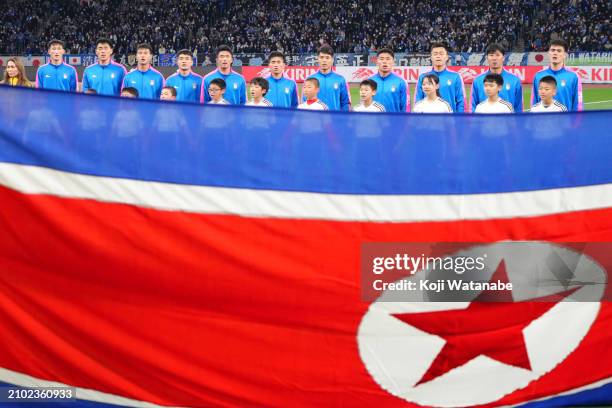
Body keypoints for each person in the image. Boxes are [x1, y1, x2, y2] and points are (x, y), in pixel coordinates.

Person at [531, 39, 582, 111]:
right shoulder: (538, 76)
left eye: (559, 51)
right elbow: (534, 102)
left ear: (565, 55)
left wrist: (575, 122)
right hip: (543, 121)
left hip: (566, 121)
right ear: (549, 53)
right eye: (552, 50)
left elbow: (578, 105)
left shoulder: (573, 76)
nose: (555, 53)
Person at [470, 43, 523, 112]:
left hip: (507, 121)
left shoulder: (515, 81)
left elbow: (518, 107)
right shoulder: (477, 81)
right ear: (487, 58)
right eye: (491, 55)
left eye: (498, 55)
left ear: (503, 58)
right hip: (484, 121)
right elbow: (473, 106)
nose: (494, 58)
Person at [414, 42, 465, 112]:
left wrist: (459, 120)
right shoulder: (423, 77)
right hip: (427, 120)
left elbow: (461, 101)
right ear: (431, 57)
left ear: (447, 57)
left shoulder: (456, 77)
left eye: (441, 54)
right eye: (435, 54)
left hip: (449, 120)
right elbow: (418, 100)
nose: (438, 56)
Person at [303, 45, 350, 111]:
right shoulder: (310, 79)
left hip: (335, 120)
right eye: (321, 57)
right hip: (315, 119)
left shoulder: (340, 80)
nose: (324, 60)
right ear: (318, 59)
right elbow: (305, 102)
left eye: (327, 58)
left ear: (332, 60)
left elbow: (345, 103)